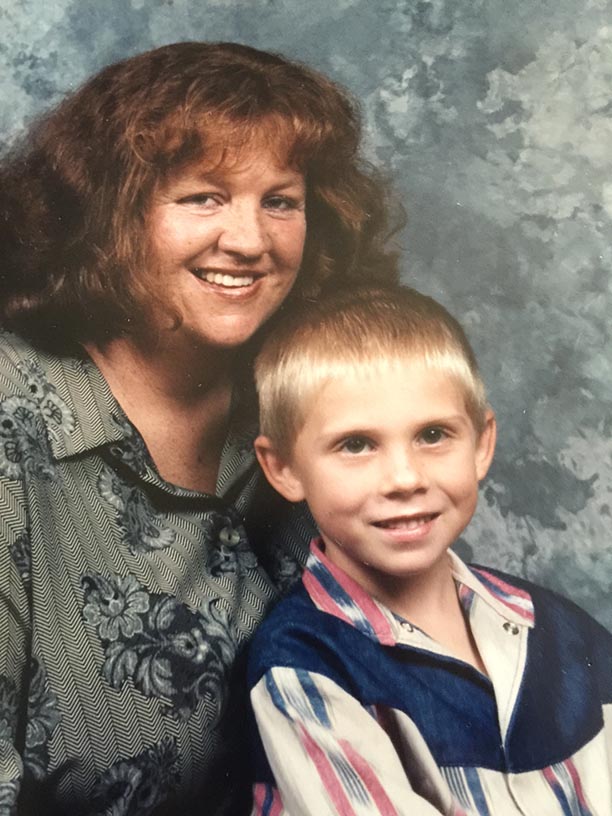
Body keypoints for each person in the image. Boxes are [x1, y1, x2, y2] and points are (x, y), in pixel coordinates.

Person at [0, 42, 400, 814]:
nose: (251, 242)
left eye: (280, 201)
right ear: (109, 220)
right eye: (203, 198)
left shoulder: (304, 401)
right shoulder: (12, 416)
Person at [248, 286, 612, 815]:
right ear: (283, 468)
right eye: (356, 444)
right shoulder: (304, 667)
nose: (404, 478)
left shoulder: (558, 627)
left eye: (434, 434)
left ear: (482, 444)